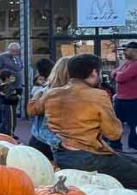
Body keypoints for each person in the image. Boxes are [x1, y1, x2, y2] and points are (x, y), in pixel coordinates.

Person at [27, 54, 137, 187]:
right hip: (89, 157)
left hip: (61, 155)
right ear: (93, 73)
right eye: (100, 72)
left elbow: (32, 110)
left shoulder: (51, 93)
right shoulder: (98, 95)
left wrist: (38, 93)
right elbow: (114, 133)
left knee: (129, 161)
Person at [28, 58, 60, 160]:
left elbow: (32, 111)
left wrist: (35, 97)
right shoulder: (66, 90)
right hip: (56, 137)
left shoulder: (46, 90)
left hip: (43, 137)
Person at [109, 42, 137, 152]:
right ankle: (115, 145)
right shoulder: (127, 63)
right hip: (120, 98)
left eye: (126, 50)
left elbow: (120, 77)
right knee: (115, 123)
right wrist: (117, 73)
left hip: (133, 99)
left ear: (134, 51)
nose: (124, 52)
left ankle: (134, 145)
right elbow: (113, 73)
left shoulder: (135, 64)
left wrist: (118, 73)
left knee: (134, 123)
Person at [0, 69, 20, 138]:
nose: (13, 78)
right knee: (10, 121)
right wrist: (17, 96)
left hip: (3, 105)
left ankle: (0, 133)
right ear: (7, 78)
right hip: (9, 106)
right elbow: (9, 97)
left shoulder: (0, 86)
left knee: (3, 121)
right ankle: (9, 135)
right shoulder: (9, 86)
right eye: (11, 76)